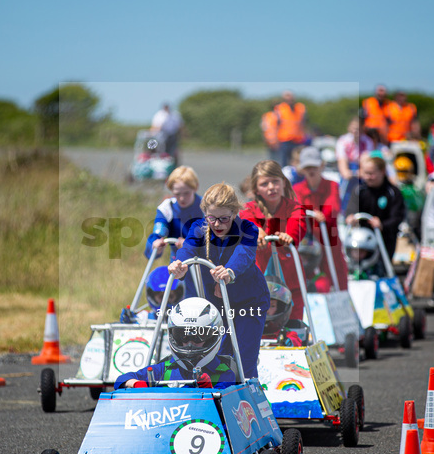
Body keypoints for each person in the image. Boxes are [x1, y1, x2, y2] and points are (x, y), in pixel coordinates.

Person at [169, 183, 270, 379]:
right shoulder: (199, 228)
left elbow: (245, 254)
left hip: (250, 301)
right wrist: (179, 265)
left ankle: (250, 399)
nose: (217, 224)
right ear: (205, 214)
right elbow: (187, 249)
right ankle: (217, 400)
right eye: (212, 218)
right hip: (216, 303)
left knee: (243, 357)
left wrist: (230, 272)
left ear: (234, 213)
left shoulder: (248, 228)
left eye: (224, 219)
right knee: (215, 356)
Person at [114, 297, 238, 389]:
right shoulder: (165, 368)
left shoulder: (224, 373)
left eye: (198, 336)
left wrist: (211, 392)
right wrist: (137, 384)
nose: (190, 343)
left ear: (212, 336)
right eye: (183, 336)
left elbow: (226, 409)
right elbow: (121, 380)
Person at [240, 161, 308, 323]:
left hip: (290, 278)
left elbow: (298, 224)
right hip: (260, 278)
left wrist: (288, 236)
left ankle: (294, 338)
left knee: (294, 319)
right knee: (258, 319)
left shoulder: (295, 208)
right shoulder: (249, 209)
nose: (271, 187)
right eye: (264, 184)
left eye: (275, 181)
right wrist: (257, 231)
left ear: (283, 182)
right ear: (256, 189)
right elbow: (246, 222)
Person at [292, 147, 350, 291]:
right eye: (307, 167)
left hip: (329, 237)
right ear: (302, 169)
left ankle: (341, 297)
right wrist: (311, 213)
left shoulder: (332, 185)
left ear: (321, 166)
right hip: (307, 240)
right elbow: (295, 209)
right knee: (306, 272)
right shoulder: (297, 188)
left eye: (314, 166)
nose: (311, 170)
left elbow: (333, 207)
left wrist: (321, 214)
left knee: (337, 271)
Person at [347, 154, 407, 260]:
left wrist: (382, 225)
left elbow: (397, 217)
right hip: (363, 240)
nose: (368, 177)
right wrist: (350, 217)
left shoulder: (393, 192)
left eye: (371, 174)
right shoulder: (359, 190)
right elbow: (351, 209)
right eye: (365, 173)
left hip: (385, 239)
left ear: (382, 172)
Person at [335, 116, 376, 213]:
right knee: (345, 192)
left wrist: (361, 172)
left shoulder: (367, 141)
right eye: (353, 128)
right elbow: (342, 163)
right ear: (349, 127)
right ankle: (343, 212)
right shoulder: (343, 141)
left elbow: (366, 161)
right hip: (348, 170)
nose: (355, 131)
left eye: (358, 129)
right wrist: (347, 173)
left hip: (360, 168)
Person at [273, 91, 307, 167]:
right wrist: (275, 139)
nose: (289, 98)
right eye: (287, 96)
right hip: (284, 139)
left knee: (298, 162)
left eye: (290, 96)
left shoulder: (300, 108)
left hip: (298, 139)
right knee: (284, 162)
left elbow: (304, 123)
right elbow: (276, 125)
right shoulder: (280, 108)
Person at [150, 103, 184, 167]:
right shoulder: (159, 115)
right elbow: (155, 126)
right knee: (161, 151)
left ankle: (172, 165)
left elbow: (180, 125)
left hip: (172, 135)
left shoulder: (175, 115)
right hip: (161, 136)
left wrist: (182, 134)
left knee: (173, 151)